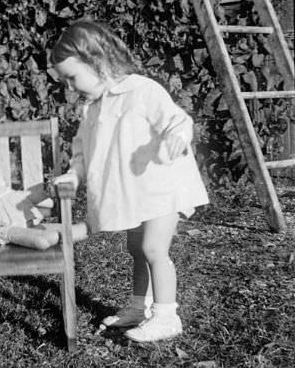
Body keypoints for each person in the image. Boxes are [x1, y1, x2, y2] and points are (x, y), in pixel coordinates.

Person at [50, 18, 208, 342]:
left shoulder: (141, 90)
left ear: (96, 61)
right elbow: (82, 151)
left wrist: (177, 137)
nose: (70, 87)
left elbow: (176, 119)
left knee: (153, 247)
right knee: (136, 248)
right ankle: (139, 306)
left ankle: (167, 316)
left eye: (72, 77)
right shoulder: (91, 110)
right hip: (134, 193)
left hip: (162, 186)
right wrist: (74, 173)